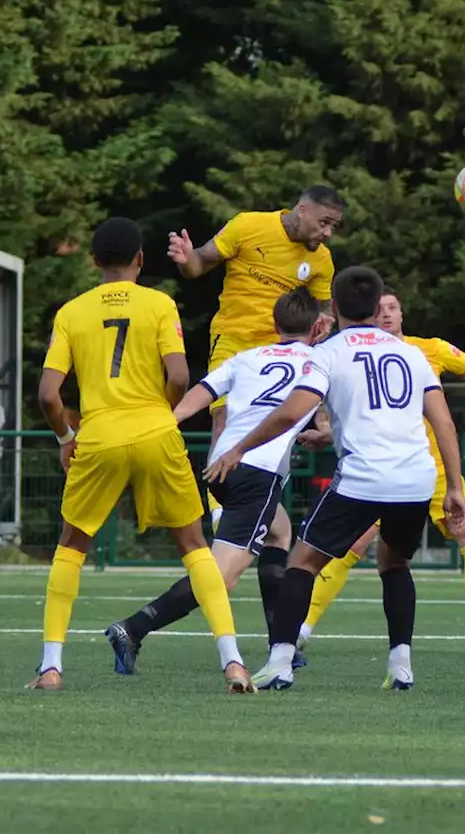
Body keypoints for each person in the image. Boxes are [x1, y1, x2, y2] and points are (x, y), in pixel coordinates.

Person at [203, 266, 465, 691]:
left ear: (336, 307)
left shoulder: (328, 352)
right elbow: (443, 421)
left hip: (363, 478)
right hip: (416, 480)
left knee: (301, 563)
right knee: (394, 562)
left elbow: (291, 411)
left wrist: (238, 448)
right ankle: (401, 665)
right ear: (377, 303)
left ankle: (280, 662)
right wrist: (454, 486)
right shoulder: (412, 353)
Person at [29, 217, 252, 693]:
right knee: (194, 548)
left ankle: (51, 667)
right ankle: (233, 662)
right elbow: (178, 374)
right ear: (140, 260)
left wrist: (67, 438)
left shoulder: (72, 311)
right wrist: (160, 413)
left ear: (93, 260)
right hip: (155, 430)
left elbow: (49, 394)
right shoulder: (159, 303)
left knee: (70, 548)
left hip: (99, 437)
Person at [103, 288, 324, 673]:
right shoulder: (321, 362)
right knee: (219, 577)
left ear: (275, 325)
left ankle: (281, 641)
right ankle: (134, 628)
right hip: (257, 473)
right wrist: (325, 432)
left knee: (278, 534)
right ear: (317, 326)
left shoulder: (247, 357)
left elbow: (199, 396)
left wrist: (163, 424)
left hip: (224, 468)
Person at [298, 287, 465, 657]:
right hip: (382, 468)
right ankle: (302, 630)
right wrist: (328, 432)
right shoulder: (355, 353)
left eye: (393, 307)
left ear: (402, 313)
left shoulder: (426, 349)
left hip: (435, 471)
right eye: (379, 308)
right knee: (352, 548)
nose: (386, 314)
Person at [167, 184, 341, 523]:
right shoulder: (248, 225)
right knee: (224, 417)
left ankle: (263, 509)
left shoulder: (321, 260)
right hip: (233, 338)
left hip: (284, 348)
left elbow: (323, 311)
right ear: (302, 210)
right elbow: (200, 262)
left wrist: (325, 327)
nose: (328, 232)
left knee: (280, 424)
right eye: (324, 222)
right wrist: (187, 260)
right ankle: (220, 513)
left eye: (333, 225)